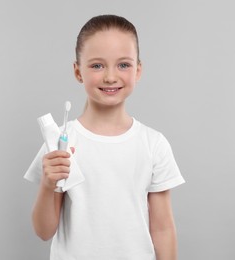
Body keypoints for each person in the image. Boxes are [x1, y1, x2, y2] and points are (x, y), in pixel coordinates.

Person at [24, 14, 185, 260]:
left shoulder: (153, 144)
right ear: (78, 72)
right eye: (97, 65)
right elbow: (44, 231)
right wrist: (48, 184)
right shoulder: (60, 142)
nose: (111, 76)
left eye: (123, 65)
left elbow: (162, 228)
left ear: (138, 70)